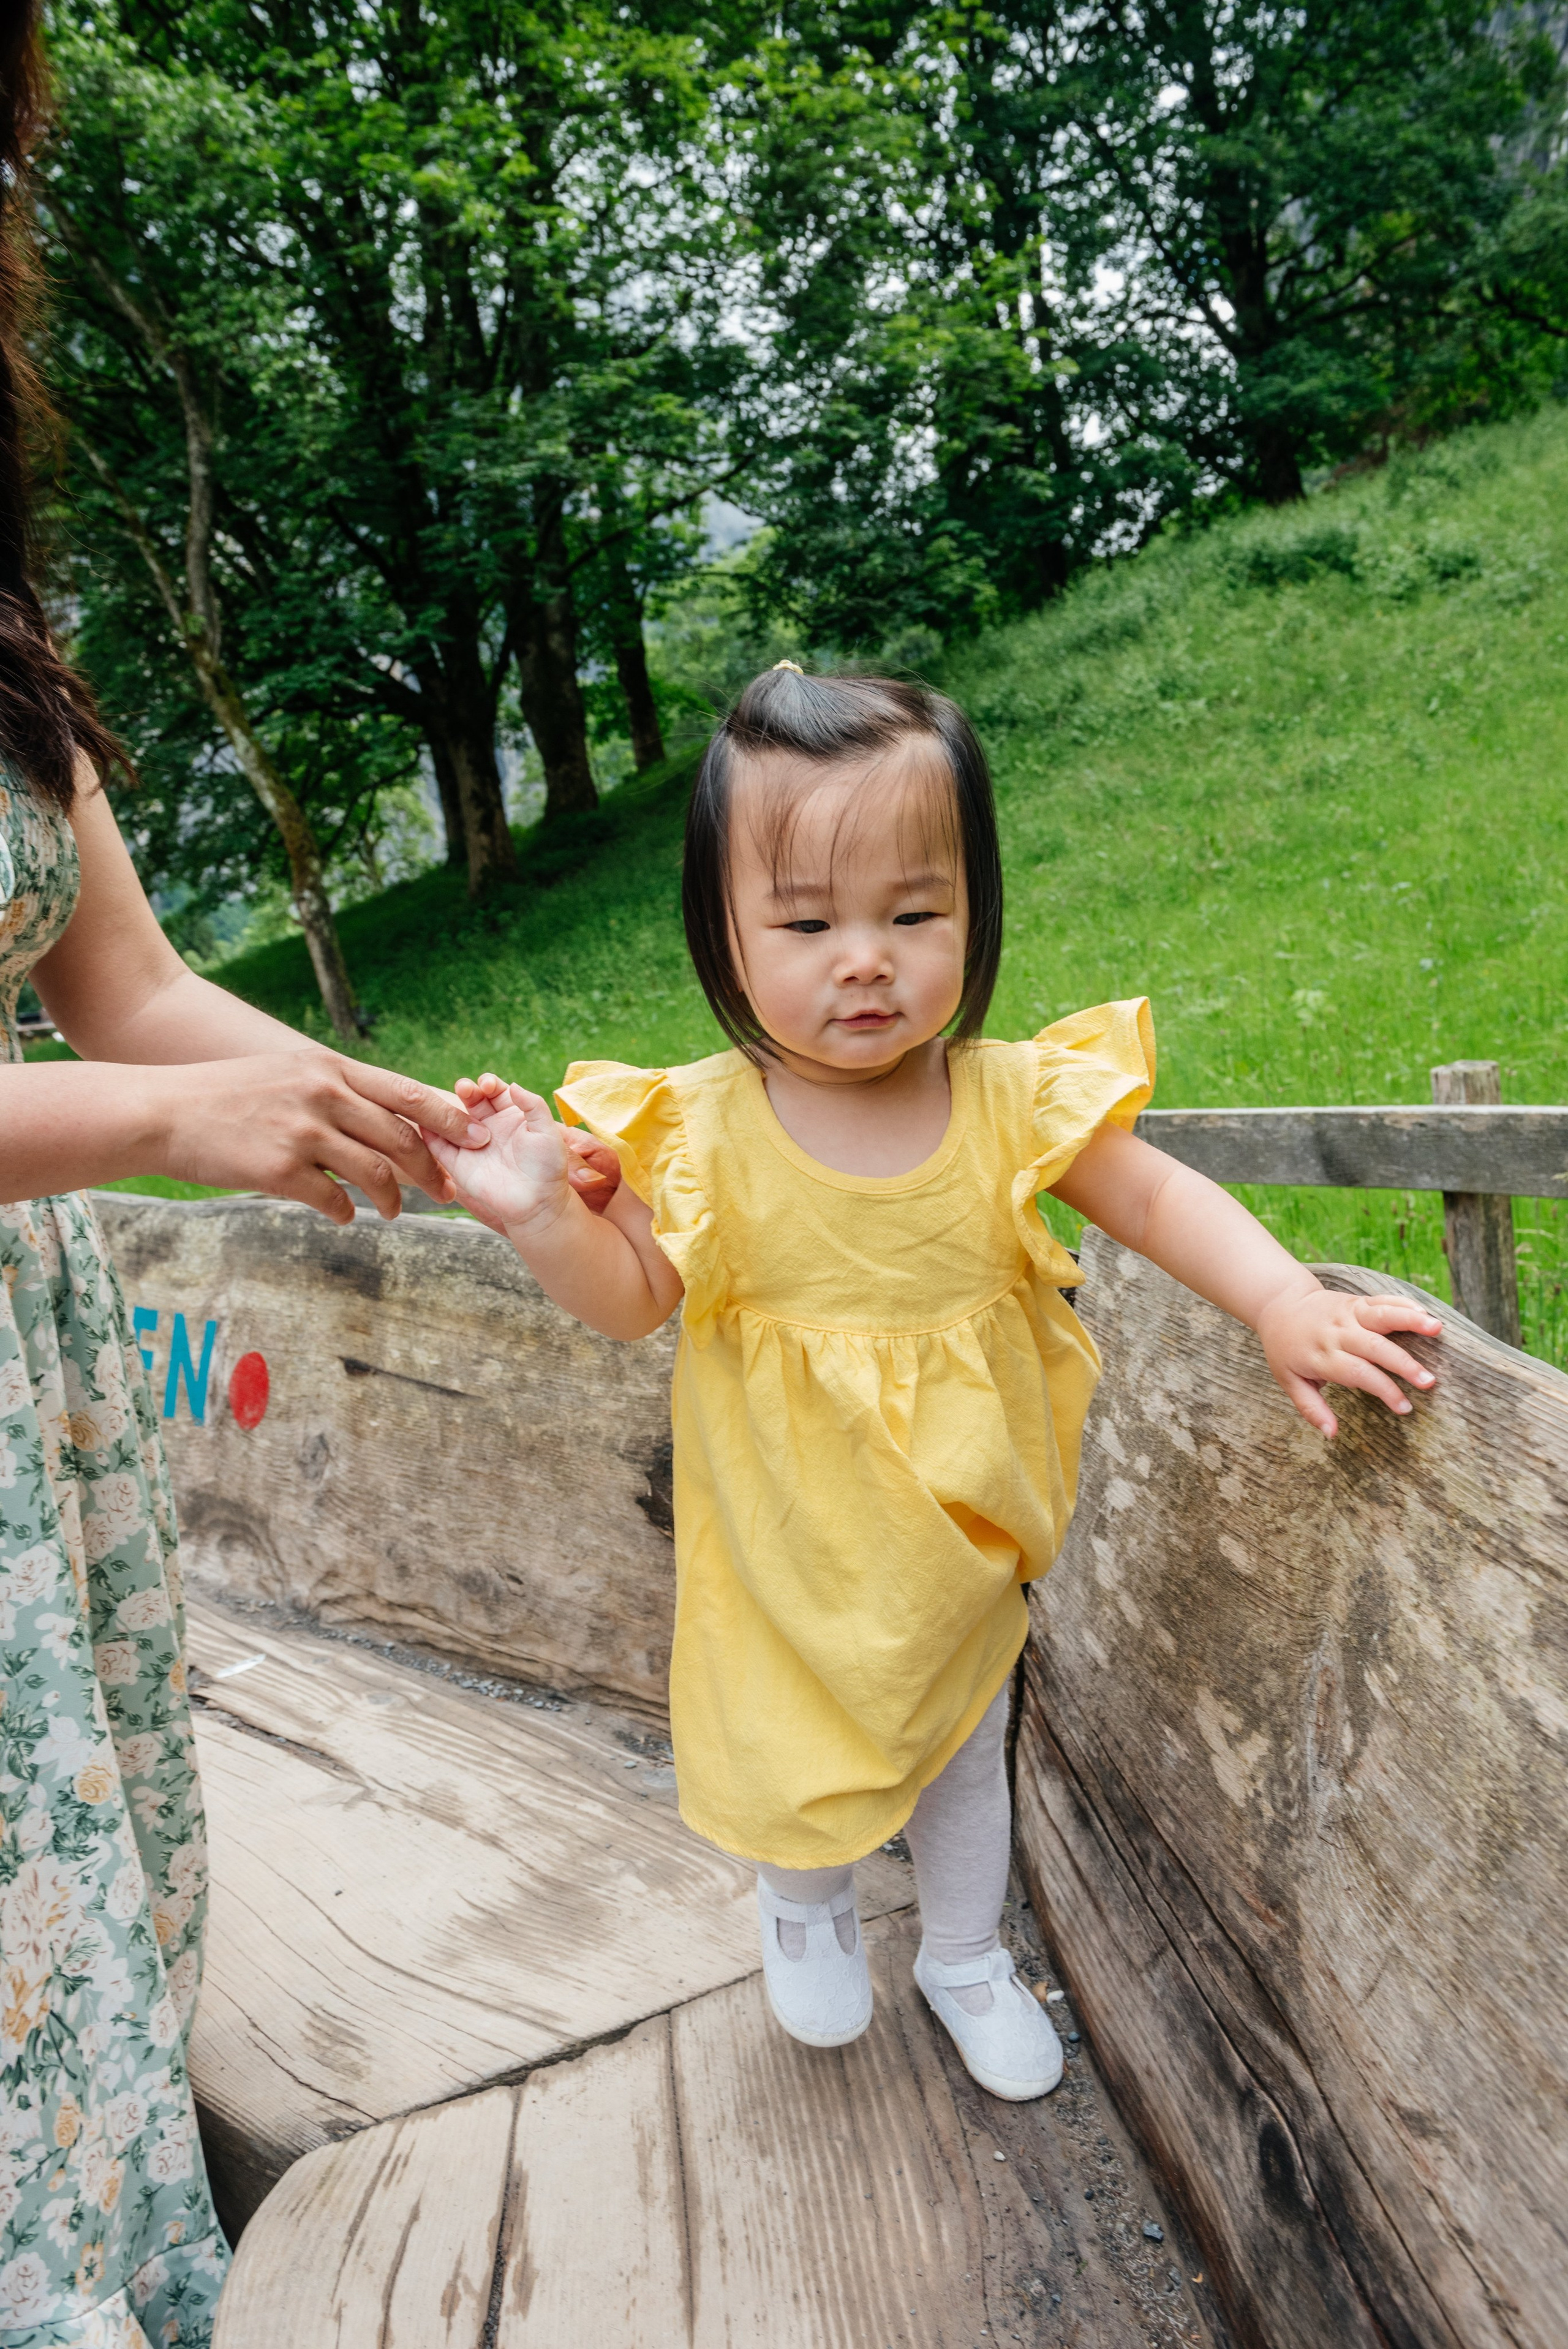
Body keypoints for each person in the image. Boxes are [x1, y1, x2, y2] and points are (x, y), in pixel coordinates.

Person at [426, 664, 1441, 2103]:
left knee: (964, 1752)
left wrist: (1280, 1294)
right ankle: (805, 1901)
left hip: (959, 1544)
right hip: (788, 1546)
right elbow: (629, 1298)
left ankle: (963, 1953)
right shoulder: (700, 1130)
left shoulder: (1006, 1098)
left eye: (914, 913)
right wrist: (541, 1214)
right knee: (797, 1753)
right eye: (805, 921)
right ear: (722, 929)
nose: (866, 959)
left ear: (975, 908)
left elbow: (1151, 1202)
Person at [0, 13, 493, 2340]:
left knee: (80, 1972)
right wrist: (149, 1133)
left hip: (33, 1420)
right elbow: (134, 1096)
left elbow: (137, 995)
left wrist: (429, 1124)